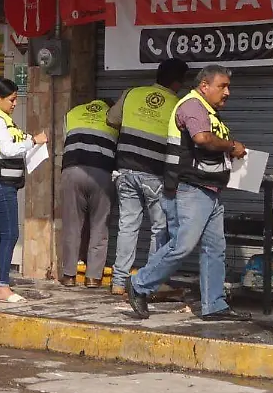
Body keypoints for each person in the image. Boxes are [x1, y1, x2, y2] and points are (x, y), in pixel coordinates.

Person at [128, 65, 249, 321]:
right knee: (181, 246)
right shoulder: (193, 105)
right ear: (205, 85)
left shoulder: (209, 111)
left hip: (210, 189)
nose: (227, 92)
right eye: (222, 86)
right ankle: (139, 285)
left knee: (214, 248)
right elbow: (202, 139)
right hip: (190, 188)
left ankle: (214, 305)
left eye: (228, 86)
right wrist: (231, 146)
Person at [107, 59, 190, 296]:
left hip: (124, 170)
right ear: (178, 82)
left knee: (127, 226)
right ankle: (152, 282)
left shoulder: (132, 93)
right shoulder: (179, 104)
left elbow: (112, 120)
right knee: (159, 228)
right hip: (154, 174)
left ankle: (119, 282)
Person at [0, 76, 47, 303]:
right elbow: (8, 150)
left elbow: (14, 142)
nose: (15, 103)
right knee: (10, 234)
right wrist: (33, 142)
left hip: (0, 183)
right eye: (12, 99)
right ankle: (3, 287)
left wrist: (30, 141)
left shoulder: (2, 119)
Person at [59, 98, 118, 288]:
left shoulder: (73, 113)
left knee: (71, 225)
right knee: (100, 226)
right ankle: (93, 277)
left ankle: (69, 275)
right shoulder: (114, 116)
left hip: (72, 170)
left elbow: (64, 140)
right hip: (102, 173)